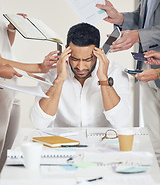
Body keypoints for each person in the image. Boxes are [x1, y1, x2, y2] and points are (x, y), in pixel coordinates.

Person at [96, 0, 160, 156]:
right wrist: (120, 18)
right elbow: (144, 18)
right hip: (147, 64)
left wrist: (137, 36)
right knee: (154, 142)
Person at [30, 23, 131, 130]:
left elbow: (121, 122)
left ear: (99, 52)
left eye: (88, 59)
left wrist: (104, 80)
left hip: (103, 143)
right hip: (63, 143)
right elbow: (38, 123)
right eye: (75, 59)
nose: (81, 67)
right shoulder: (52, 73)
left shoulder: (116, 72)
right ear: (66, 51)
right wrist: (59, 80)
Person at [0, 11, 59, 172]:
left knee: (8, 147)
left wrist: (11, 30)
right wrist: (39, 67)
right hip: (2, 82)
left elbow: (4, 46)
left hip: (11, 82)